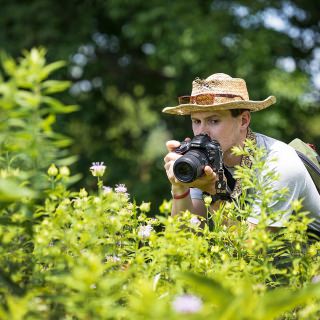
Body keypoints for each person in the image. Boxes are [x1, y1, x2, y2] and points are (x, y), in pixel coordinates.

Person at [163, 73, 320, 235]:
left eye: (214, 121)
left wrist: (214, 191)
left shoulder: (278, 163)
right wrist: (179, 185)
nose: (202, 132)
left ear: (244, 120)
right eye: (196, 121)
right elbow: (187, 236)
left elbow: (252, 249)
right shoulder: (203, 159)